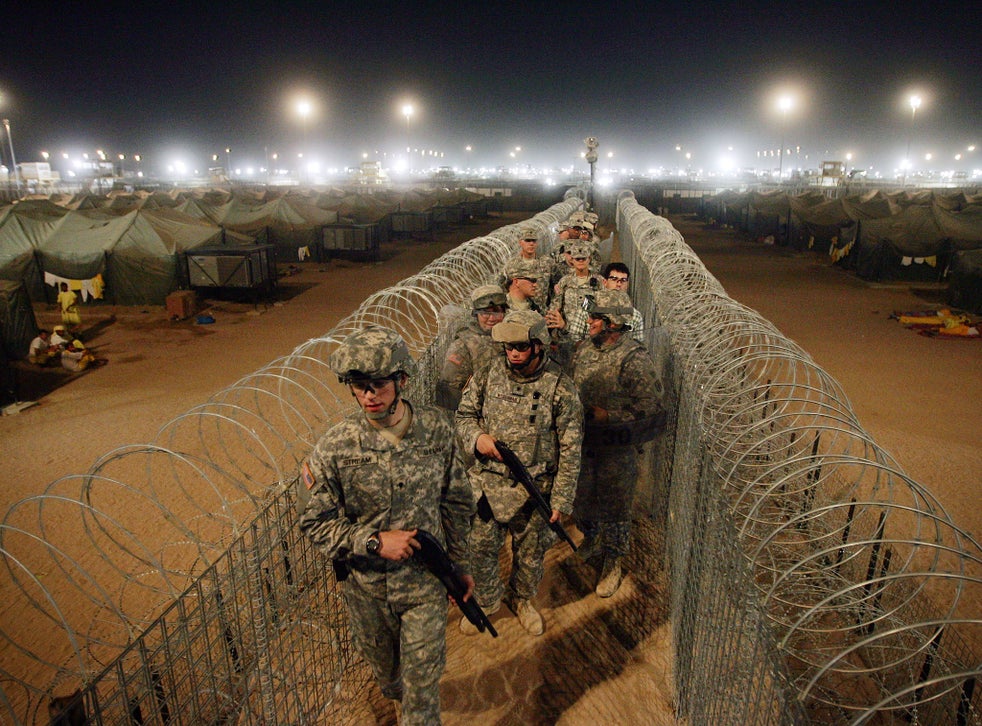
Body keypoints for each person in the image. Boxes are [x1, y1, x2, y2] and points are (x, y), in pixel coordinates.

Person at [298, 326, 474, 724]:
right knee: (388, 677)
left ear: (402, 380)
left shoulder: (437, 430)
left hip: (425, 583)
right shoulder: (336, 447)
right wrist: (374, 541)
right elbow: (314, 520)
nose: (368, 395)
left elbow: (457, 502)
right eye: (358, 386)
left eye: (378, 384)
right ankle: (397, 695)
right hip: (368, 591)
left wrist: (459, 565)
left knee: (422, 689)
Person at [455, 310, 583, 637]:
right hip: (488, 483)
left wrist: (561, 499)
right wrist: (477, 438)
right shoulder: (488, 374)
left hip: (534, 489)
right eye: (508, 347)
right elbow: (464, 415)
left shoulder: (560, 387)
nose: (512, 353)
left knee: (530, 554)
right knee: (480, 548)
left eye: (521, 347)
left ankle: (522, 599)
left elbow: (571, 447)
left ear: (539, 346)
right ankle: (487, 601)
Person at [571, 289, 664, 597]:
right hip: (585, 442)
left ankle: (614, 559)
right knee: (582, 496)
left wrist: (609, 415)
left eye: (596, 317)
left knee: (615, 504)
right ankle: (592, 537)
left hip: (615, 445)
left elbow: (650, 408)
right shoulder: (584, 349)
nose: (589, 321)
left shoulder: (634, 358)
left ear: (613, 322)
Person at [436, 283, 507, 412]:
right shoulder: (463, 345)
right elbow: (449, 393)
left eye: (497, 312)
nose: (492, 318)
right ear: (476, 314)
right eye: (485, 313)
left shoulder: (511, 336)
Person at [506, 227, 553, 310]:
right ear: (520, 242)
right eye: (527, 240)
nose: (531, 244)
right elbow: (504, 286)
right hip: (518, 310)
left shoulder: (547, 262)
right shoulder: (511, 265)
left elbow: (556, 286)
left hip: (541, 310)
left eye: (534, 241)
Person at [601, 262, 646, 343]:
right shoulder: (590, 310)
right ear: (605, 282)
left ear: (627, 284)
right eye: (614, 279)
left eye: (623, 280)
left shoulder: (635, 316)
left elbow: (638, 346)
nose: (619, 284)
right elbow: (577, 341)